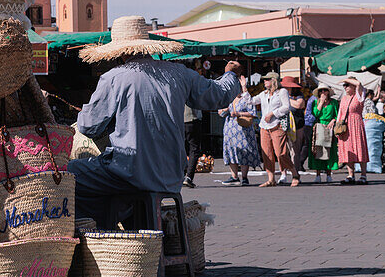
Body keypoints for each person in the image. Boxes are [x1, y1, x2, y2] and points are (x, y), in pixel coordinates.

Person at [65, 15, 242, 228]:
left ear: (118, 54)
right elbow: (219, 95)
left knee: (69, 175)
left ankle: (104, 235)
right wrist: (230, 74)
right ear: (148, 47)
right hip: (172, 174)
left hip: (128, 173)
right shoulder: (179, 73)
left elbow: (88, 126)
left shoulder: (113, 78)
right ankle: (129, 227)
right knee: (109, 188)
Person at [254, 72, 300, 187]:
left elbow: (286, 107)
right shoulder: (263, 94)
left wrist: (273, 113)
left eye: (267, 79)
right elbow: (252, 101)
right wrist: (243, 90)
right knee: (267, 153)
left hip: (277, 125)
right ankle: (271, 179)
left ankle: (294, 173)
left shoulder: (282, 92)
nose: (264, 81)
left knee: (281, 153)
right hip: (264, 126)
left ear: (273, 80)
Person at [218, 76, 258, 185]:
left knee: (244, 151)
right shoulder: (228, 98)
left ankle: (244, 177)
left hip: (243, 129)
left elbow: (252, 112)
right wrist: (225, 109)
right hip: (230, 129)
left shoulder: (246, 97)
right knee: (231, 151)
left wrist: (239, 113)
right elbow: (220, 113)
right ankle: (234, 176)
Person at [336, 77, 370, 185]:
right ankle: (350, 174)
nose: (345, 87)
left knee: (359, 148)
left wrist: (347, 79)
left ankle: (363, 175)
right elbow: (340, 113)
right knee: (347, 149)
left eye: (347, 85)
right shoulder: (344, 98)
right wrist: (337, 127)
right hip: (345, 125)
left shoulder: (359, 96)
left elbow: (359, 83)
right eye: (344, 85)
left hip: (356, 124)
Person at [309, 85, 339, 182]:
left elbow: (337, 114)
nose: (323, 92)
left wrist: (333, 121)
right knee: (318, 151)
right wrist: (321, 102)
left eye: (325, 90)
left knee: (329, 150)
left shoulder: (333, 102)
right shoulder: (315, 102)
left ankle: (329, 174)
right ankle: (318, 175)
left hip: (329, 127)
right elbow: (315, 114)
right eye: (321, 91)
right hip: (319, 126)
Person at [283, 76, 309, 173]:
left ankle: (295, 171)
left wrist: (286, 100)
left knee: (295, 149)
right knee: (284, 150)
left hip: (297, 125)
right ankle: (284, 172)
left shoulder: (298, 94)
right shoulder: (279, 94)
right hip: (283, 124)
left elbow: (300, 105)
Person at [364, 86, 385, 175]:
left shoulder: (364, 101)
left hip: (365, 123)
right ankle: (373, 166)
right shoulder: (370, 102)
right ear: (370, 95)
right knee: (373, 146)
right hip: (371, 122)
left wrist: (378, 91)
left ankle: (363, 166)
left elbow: (375, 99)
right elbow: (372, 113)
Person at [182, 104, 201, 189]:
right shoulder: (192, 90)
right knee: (194, 149)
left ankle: (181, 175)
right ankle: (189, 177)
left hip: (181, 120)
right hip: (192, 118)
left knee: (182, 148)